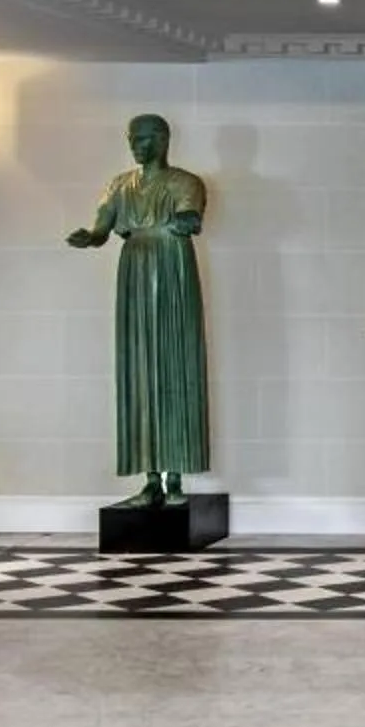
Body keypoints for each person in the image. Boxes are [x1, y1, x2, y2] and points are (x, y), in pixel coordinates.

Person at [68, 114, 211, 507]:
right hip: (134, 269)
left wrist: (183, 220)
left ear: (164, 140)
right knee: (139, 367)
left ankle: (176, 476)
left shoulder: (185, 182)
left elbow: (189, 218)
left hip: (172, 269)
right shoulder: (119, 185)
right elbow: (101, 227)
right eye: (133, 138)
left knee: (176, 363)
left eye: (145, 138)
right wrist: (91, 236)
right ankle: (149, 479)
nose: (137, 145)